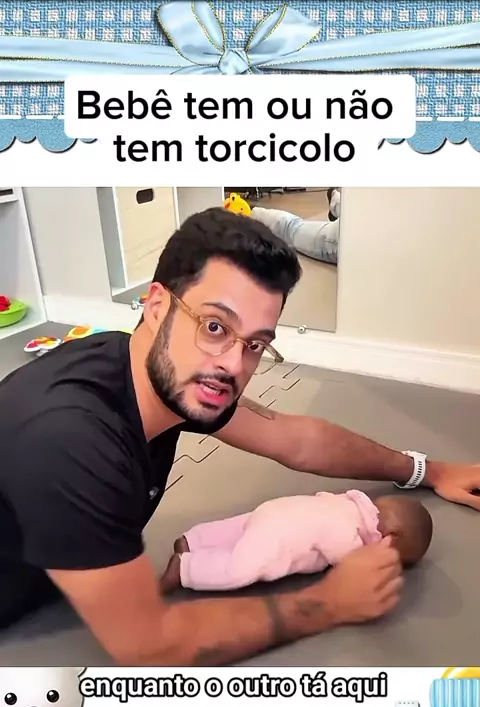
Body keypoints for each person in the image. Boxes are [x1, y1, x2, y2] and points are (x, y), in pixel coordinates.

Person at [0, 208, 479, 666]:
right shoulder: (69, 442)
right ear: (157, 306)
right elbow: (150, 645)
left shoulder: (152, 366)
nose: (233, 363)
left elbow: (294, 438)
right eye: (215, 327)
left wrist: (427, 469)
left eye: (255, 344)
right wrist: (329, 602)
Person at [160, 491, 433, 593]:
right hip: (279, 535)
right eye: (397, 558)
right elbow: (349, 564)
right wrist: (366, 564)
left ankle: (193, 540)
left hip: (274, 509)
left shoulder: (347, 502)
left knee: (237, 529)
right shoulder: (350, 536)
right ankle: (185, 568)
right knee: (240, 568)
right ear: (391, 537)